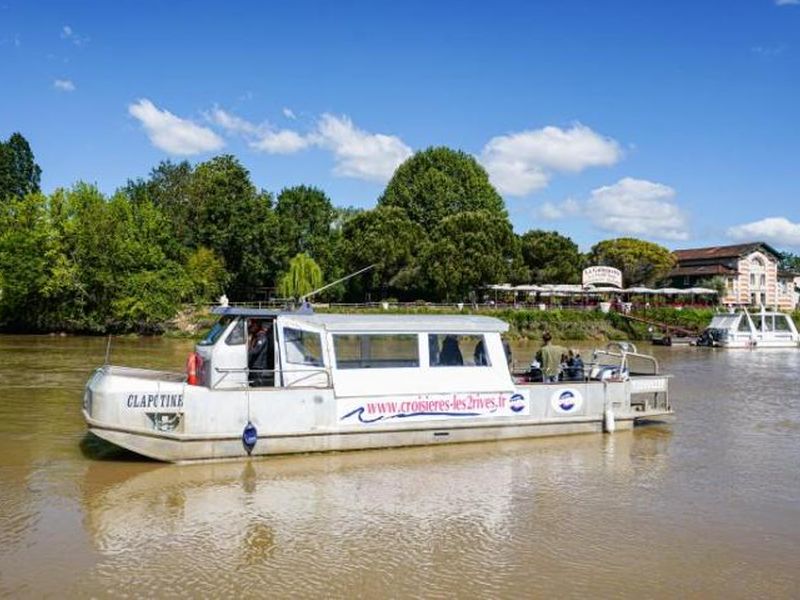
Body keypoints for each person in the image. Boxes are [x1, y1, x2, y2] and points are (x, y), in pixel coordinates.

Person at [248, 319, 274, 386]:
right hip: (255, 365)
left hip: (258, 366)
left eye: (253, 325)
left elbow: (256, 350)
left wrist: (246, 353)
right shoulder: (256, 336)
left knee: (256, 384)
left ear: (257, 326)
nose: (251, 327)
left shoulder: (261, 337)